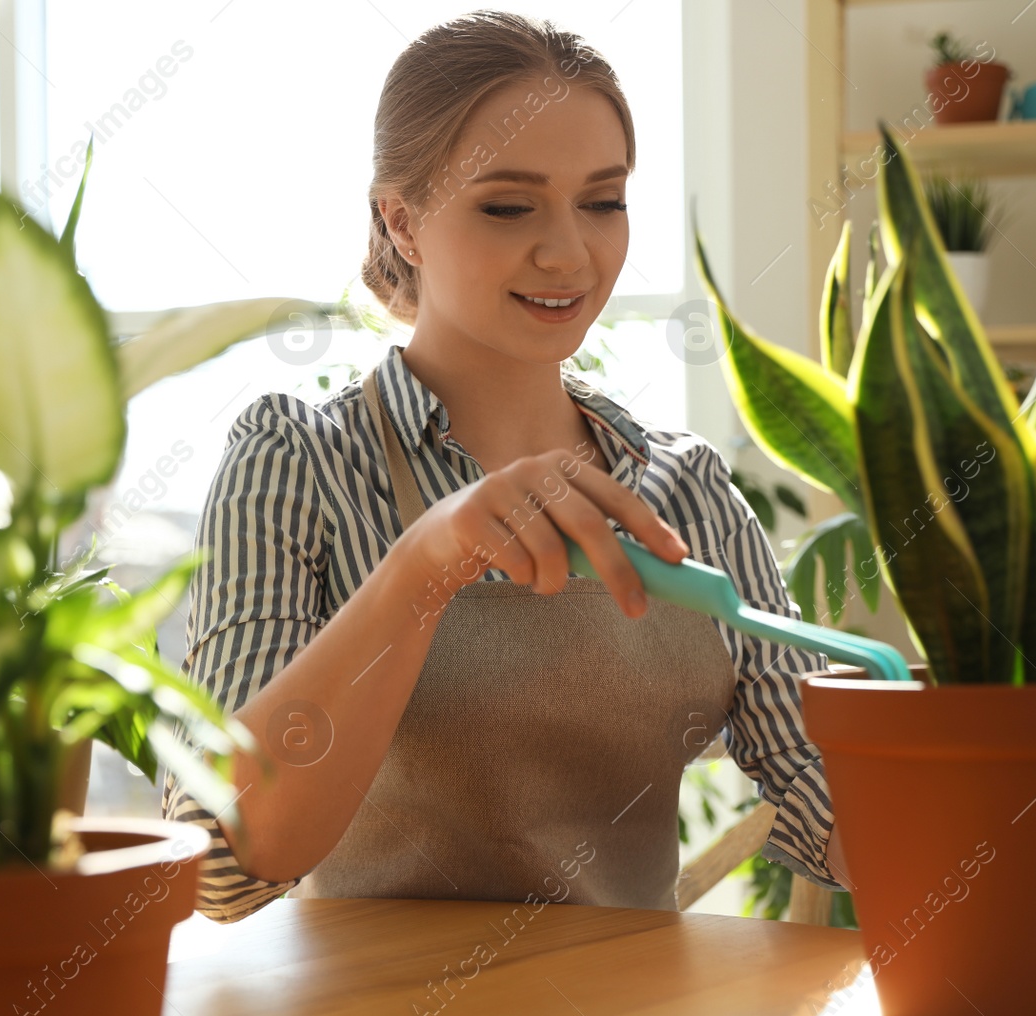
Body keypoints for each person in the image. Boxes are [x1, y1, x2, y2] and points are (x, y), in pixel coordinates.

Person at [161, 9, 844, 924]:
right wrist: (424, 563)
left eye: (603, 201)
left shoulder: (687, 487)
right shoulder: (298, 462)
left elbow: (821, 797)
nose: (570, 252)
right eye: (508, 206)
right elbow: (221, 859)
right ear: (400, 221)